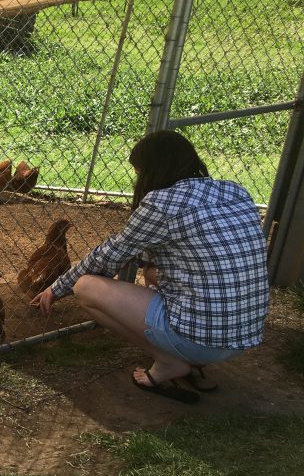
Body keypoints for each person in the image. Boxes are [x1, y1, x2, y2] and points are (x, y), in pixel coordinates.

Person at [31, 130, 269, 404]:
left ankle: (169, 361)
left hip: (202, 339)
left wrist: (58, 287)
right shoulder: (235, 190)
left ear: (153, 169)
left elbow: (108, 256)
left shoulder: (161, 202)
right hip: (243, 334)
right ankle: (192, 359)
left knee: (86, 287)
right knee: (152, 272)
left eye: (139, 172)